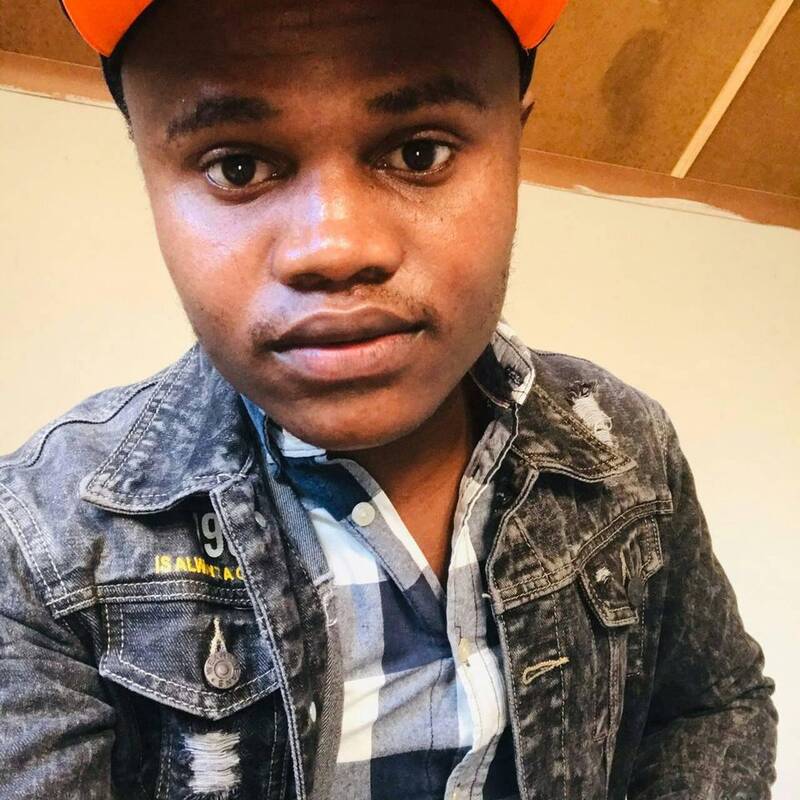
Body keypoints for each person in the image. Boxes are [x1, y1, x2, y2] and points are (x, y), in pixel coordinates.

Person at [0, 1, 777, 798]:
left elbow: (710, 704)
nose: (336, 247)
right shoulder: (39, 544)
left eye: (418, 152)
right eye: (237, 167)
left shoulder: (623, 443)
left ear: (516, 145)